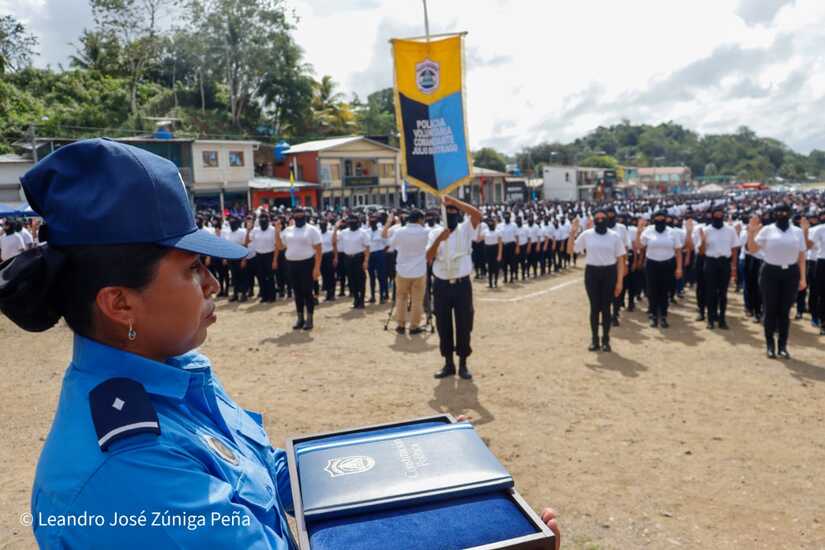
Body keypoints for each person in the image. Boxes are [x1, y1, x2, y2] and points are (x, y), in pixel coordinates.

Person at [7, 139, 298, 547]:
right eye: (193, 268)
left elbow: (265, 467)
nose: (213, 283)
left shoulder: (177, 370)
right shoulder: (132, 468)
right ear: (120, 303)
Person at [427, 195, 482, 380]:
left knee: (464, 324)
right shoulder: (435, 232)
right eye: (447, 211)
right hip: (442, 285)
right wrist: (439, 240)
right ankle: (448, 364)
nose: (450, 214)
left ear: (458, 214)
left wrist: (454, 202)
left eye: (453, 212)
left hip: (461, 285)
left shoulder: (465, 229)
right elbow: (428, 256)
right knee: (443, 325)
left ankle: (463, 364)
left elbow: (476, 215)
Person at [748, 204, 808, 359]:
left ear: (790, 214)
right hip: (770, 273)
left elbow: (802, 256)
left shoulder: (797, 232)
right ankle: (770, 346)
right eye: (779, 212)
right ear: (774, 214)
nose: (782, 214)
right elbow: (752, 249)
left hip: (791, 273)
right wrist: (751, 232)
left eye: (785, 212)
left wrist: (803, 278)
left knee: (784, 311)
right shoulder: (767, 230)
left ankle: (782, 346)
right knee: (770, 310)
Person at [569, 209, 625, 351]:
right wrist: (572, 232)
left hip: (609, 273)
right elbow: (571, 251)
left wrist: (620, 282)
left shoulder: (615, 236)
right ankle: (595, 339)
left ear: (607, 219)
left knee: (606, 308)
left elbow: (620, 260)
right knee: (594, 307)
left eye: (603, 217)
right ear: (594, 220)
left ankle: (606, 339)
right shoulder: (587, 235)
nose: (600, 220)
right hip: (592, 273)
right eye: (597, 218)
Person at [384, 209, 430, 334]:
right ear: (420, 219)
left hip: (402, 270)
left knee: (401, 298)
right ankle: (414, 326)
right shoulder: (426, 232)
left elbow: (389, 247)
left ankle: (401, 325)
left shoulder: (399, 232)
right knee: (417, 300)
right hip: (419, 271)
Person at [276, 208, 322, 330]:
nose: (299, 217)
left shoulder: (312, 230)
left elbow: (318, 249)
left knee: (307, 292)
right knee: (297, 293)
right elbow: (280, 247)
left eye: (301, 214)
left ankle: (310, 319)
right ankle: (300, 319)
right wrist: (277, 232)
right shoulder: (288, 230)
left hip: (307, 264)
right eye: (296, 214)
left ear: (305, 215)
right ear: (293, 216)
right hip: (291, 264)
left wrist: (317, 268)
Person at [636, 211, 683, 328]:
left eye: (662, 219)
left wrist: (679, 268)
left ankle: (663, 316)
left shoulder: (671, 232)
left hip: (667, 265)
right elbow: (640, 246)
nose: (660, 221)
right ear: (654, 220)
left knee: (664, 291)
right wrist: (638, 231)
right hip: (652, 265)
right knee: (652, 291)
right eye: (657, 219)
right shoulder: (648, 231)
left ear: (666, 219)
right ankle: (653, 315)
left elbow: (678, 251)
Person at [698, 206, 739, 329]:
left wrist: (734, 267)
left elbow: (734, 249)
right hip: (710, 262)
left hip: (724, 263)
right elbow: (701, 252)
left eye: (720, 214)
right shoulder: (706, 230)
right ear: (711, 216)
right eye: (716, 214)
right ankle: (710, 319)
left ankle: (722, 319)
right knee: (710, 292)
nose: (718, 216)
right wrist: (703, 241)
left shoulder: (730, 230)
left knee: (723, 293)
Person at [334, 214, 369, 308]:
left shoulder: (363, 232)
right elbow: (333, 241)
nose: (352, 223)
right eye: (350, 221)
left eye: (354, 221)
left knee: (361, 280)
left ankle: (361, 301)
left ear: (358, 222)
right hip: (347, 258)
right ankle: (356, 299)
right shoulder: (344, 232)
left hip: (359, 258)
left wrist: (366, 261)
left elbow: (367, 247)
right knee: (351, 280)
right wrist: (335, 228)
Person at [245, 212, 277, 303]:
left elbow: (276, 246)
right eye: (261, 218)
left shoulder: (273, 230)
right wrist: (248, 230)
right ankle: (264, 296)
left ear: (268, 219)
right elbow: (246, 242)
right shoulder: (255, 230)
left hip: (270, 255)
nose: (263, 220)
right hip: (258, 255)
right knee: (261, 277)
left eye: (265, 218)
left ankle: (272, 296)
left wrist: (275, 260)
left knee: (270, 277)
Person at [224, 216, 249, 302]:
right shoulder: (228, 233)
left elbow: (245, 246)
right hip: (231, 258)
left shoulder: (242, 232)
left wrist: (244, 259)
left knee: (242, 277)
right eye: (230, 222)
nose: (231, 224)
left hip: (240, 258)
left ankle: (243, 294)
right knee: (234, 277)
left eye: (233, 222)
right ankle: (235, 294)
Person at [366, 213, 389, 304]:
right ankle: (372, 296)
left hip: (380, 254)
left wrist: (382, 252)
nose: (372, 222)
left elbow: (387, 244)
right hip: (370, 255)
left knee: (381, 276)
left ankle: (382, 296)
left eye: (374, 220)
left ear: (377, 222)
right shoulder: (366, 232)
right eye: (371, 220)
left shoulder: (381, 231)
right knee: (371, 276)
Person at [481, 217, 503, 288]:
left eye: (492, 222)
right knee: (489, 267)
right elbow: (478, 239)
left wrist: (499, 254)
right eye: (489, 222)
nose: (490, 223)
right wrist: (478, 228)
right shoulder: (485, 231)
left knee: (495, 267)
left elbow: (500, 244)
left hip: (495, 249)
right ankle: (490, 283)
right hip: (487, 250)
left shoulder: (498, 231)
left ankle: (495, 282)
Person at [318, 217, 336, 301]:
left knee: (331, 275)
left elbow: (334, 246)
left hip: (329, 255)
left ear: (326, 225)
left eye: (324, 224)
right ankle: (327, 294)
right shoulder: (318, 234)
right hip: (321, 256)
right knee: (324, 275)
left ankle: (332, 294)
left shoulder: (330, 233)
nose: (322, 226)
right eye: (321, 225)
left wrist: (335, 257)